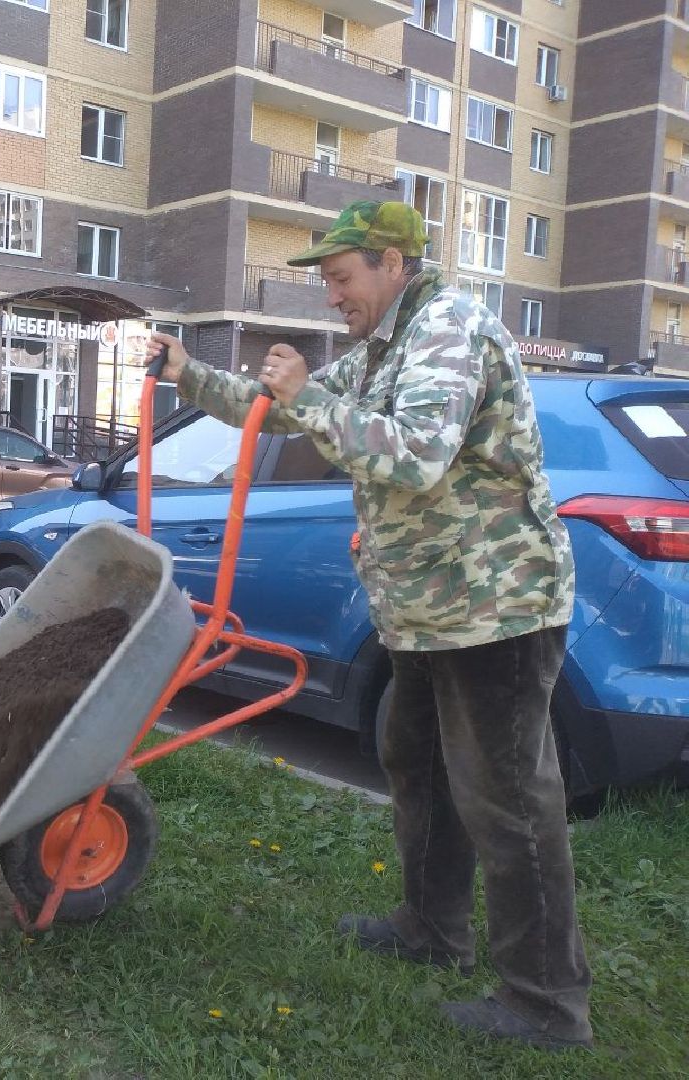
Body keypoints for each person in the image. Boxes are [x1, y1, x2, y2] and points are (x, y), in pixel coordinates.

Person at [146, 200, 592, 1051]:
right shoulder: (387, 345)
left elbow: (415, 454)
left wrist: (309, 396)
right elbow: (278, 412)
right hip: (427, 608)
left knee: (508, 802)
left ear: (393, 263)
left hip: (492, 607)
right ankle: (432, 929)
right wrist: (188, 371)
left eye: (342, 279)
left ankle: (546, 1003)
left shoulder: (449, 329)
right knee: (419, 768)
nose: (332, 298)